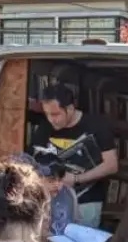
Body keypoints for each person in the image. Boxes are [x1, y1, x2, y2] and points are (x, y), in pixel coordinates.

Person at [29, 84, 118, 227]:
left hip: (86, 201)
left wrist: (76, 179)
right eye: (47, 114)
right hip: (51, 200)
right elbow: (31, 161)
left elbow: (111, 165)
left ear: (70, 109)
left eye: (56, 114)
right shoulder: (44, 128)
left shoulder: (96, 126)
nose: (51, 119)